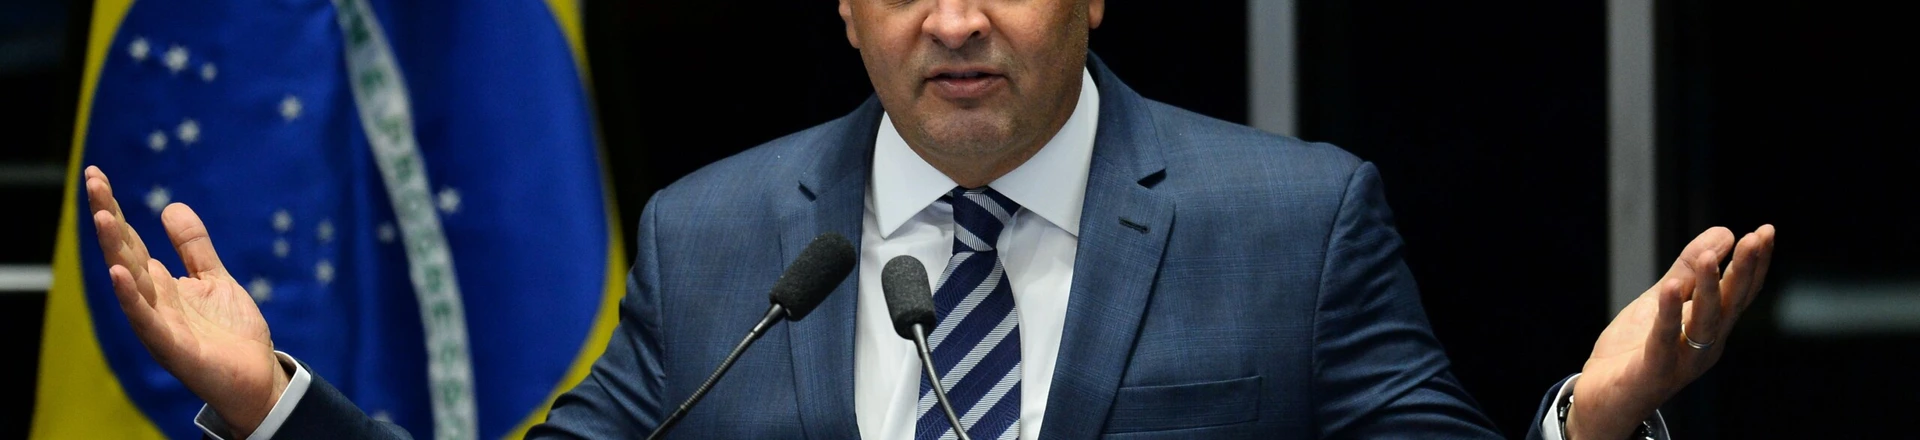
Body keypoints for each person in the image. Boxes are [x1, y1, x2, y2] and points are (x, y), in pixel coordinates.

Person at [81, 0, 1776, 438]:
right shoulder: (717, 239)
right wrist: (278, 405)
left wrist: (1586, 420)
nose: (956, 22)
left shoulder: (1298, 219)